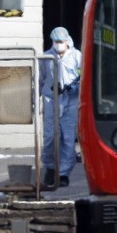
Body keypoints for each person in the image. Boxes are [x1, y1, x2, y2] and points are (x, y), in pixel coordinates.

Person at [39, 26, 81, 187]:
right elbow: (40, 79)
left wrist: (73, 88)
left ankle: (63, 173)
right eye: (55, 41)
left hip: (70, 100)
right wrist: (34, 100)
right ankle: (49, 168)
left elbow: (82, 75)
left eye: (61, 41)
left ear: (67, 41)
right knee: (50, 136)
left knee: (68, 138)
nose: (58, 44)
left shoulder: (76, 56)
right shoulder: (46, 58)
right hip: (51, 100)